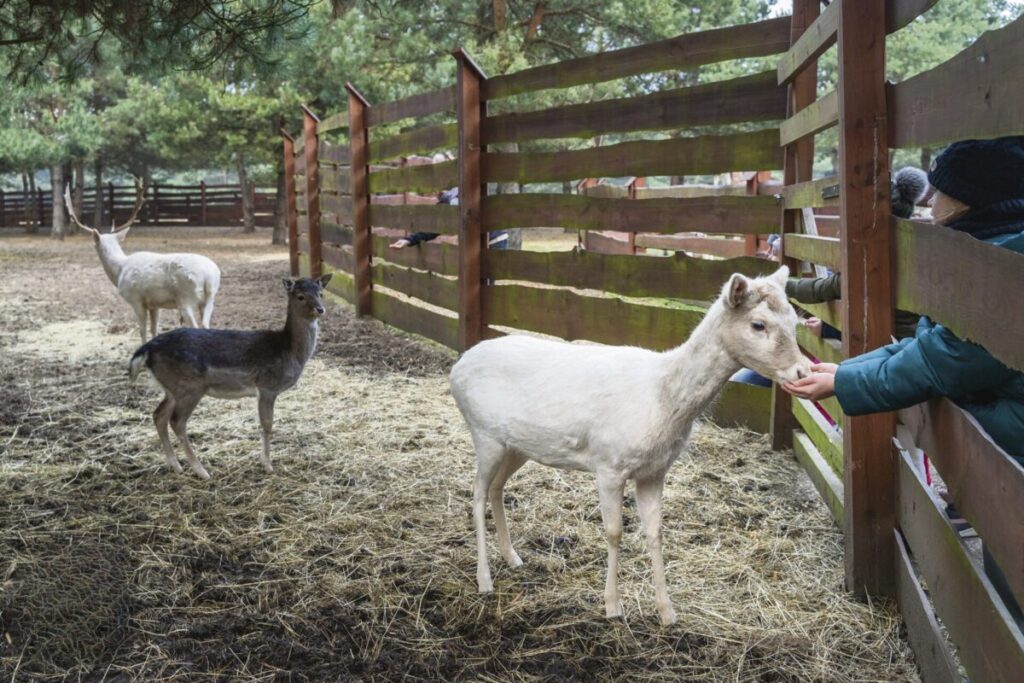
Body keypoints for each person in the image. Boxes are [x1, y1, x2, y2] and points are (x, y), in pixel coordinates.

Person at [782, 137, 1024, 463]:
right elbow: (933, 344)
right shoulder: (982, 256)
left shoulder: (1000, 271)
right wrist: (844, 372)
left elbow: (939, 359)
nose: (931, 201)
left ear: (966, 202)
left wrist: (842, 380)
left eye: (940, 193)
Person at [785, 166, 929, 341]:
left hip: (893, 347)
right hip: (915, 342)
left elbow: (819, 289)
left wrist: (780, 284)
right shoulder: (917, 251)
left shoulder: (867, 262)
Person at [389, 187, 513, 250]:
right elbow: (433, 229)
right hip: (476, 242)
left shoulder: (459, 194)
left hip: (494, 238)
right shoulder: (447, 206)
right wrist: (408, 240)